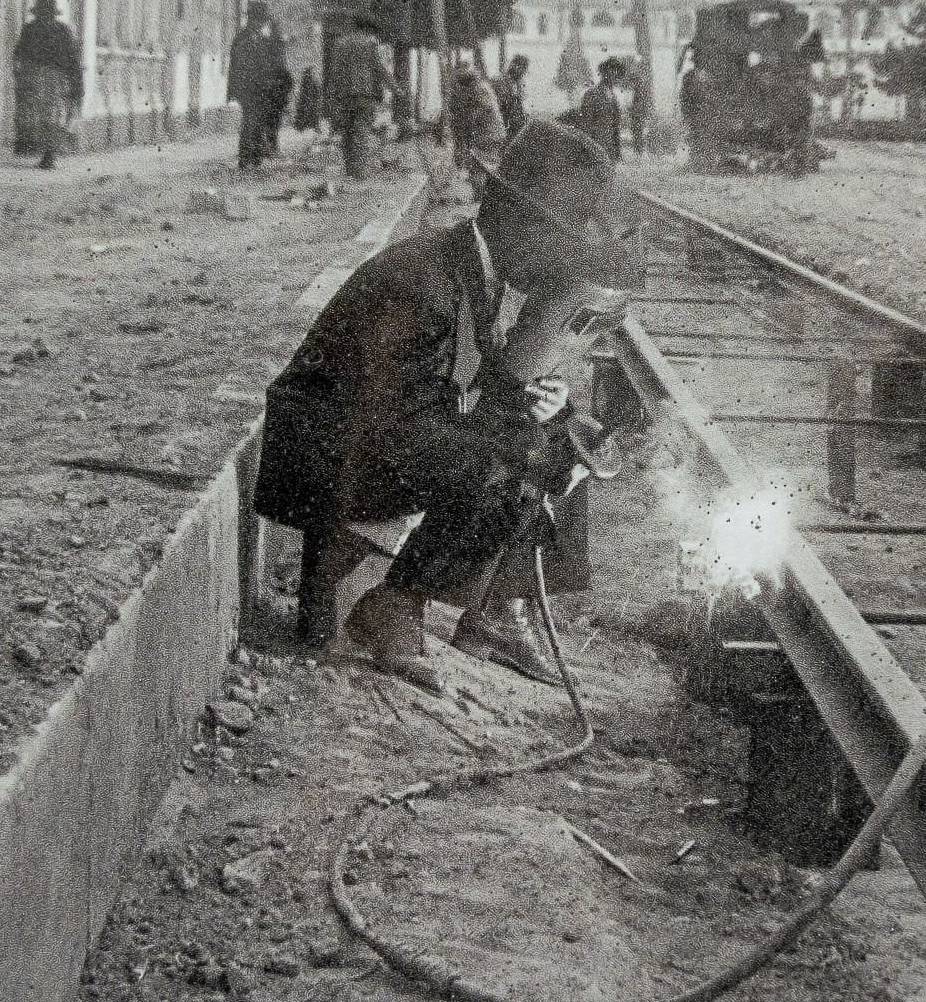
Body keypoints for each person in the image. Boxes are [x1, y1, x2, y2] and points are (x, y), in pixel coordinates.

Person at [255, 121, 639, 692]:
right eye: (561, 241)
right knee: (524, 458)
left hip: (358, 441)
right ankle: (398, 606)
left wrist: (530, 405)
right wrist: (510, 438)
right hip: (322, 461)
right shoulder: (426, 283)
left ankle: (480, 608)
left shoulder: (465, 266)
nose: (565, 260)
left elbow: (438, 392)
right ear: (520, 224)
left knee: (552, 437)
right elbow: (386, 425)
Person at [12, 0, 82, 170]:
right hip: (54, 78)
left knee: (39, 115)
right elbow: (73, 60)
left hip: (35, 77)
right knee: (52, 116)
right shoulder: (62, 30)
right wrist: (76, 85)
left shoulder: (30, 29)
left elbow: (18, 55)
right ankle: (48, 154)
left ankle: (44, 153)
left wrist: (19, 76)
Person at [228, 1, 291, 170]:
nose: (262, 23)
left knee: (252, 121)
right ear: (257, 19)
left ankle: (250, 157)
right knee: (253, 121)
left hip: (251, 89)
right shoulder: (252, 38)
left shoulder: (244, 36)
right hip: (253, 89)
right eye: (262, 19)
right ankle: (250, 158)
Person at [330, 14, 393, 179]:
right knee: (362, 131)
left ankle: (350, 170)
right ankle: (360, 172)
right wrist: (394, 87)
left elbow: (335, 71)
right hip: (365, 94)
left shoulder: (340, 43)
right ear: (367, 28)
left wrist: (334, 93)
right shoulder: (370, 43)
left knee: (347, 132)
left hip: (344, 95)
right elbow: (379, 69)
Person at [565, 56, 628, 161]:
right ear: (603, 73)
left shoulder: (613, 97)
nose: (614, 75)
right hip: (596, 144)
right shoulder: (592, 94)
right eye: (610, 71)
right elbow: (586, 123)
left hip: (610, 147)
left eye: (616, 72)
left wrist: (617, 151)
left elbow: (615, 126)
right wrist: (588, 149)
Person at [448, 58, 507, 169]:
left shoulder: (479, 90)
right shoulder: (480, 87)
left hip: (490, 135)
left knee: (485, 165)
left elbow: (475, 116)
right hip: (491, 134)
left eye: (463, 85)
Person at [491, 54, 531, 139]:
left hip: (515, 121)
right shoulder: (499, 81)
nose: (522, 71)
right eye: (520, 66)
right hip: (502, 119)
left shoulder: (519, 83)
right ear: (513, 65)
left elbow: (520, 103)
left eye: (524, 68)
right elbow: (500, 103)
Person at [293, 65, 324, 133]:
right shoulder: (309, 82)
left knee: (309, 115)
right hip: (310, 103)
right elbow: (316, 91)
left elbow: (316, 92)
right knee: (310, 115)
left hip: (308, 103)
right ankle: (308, 128)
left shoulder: (306, 82)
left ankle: (303, 128)